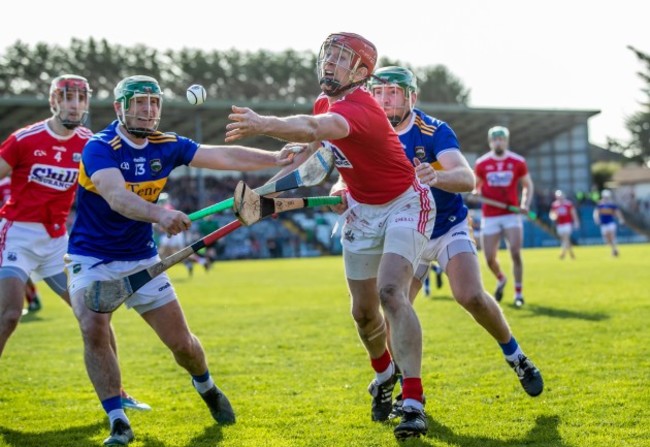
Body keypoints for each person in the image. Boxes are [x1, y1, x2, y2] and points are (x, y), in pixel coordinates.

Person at [65, 74, 298, 446]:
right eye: (138, 102)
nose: (147, 110)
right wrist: (159, 215)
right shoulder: (100, 147)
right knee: (92, 325)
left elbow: (221, 154)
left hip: (142, 258)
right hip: (91, 257)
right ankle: (117, 418)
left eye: (153, 103)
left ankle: (206, 386)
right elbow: (116, 197)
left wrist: (274, 157)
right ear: (119, 108)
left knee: (183, 346)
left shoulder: (167, 144)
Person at [225, 33, 434, 441]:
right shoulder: (327, 103)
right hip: (361, 208)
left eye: (342, 59)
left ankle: (413, 401)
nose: (330, 64)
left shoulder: (357, 109)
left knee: (391, 292)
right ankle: (384, 374)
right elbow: (314, 157)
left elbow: (310, 128)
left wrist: (262, 123)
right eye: (329, 56)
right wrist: (264, 194)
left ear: (360, 72)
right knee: (363, 313)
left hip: (406, 203)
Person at [368, 66, 543, 417]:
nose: (384, 101)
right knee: (393, 305)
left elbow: (466, 177)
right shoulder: (370, 134)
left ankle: (516, 355)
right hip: (407, 231)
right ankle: (406, 388)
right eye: (379, 93)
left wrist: (438, 176)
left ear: (411, 97)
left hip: (447, 225)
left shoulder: (432, 130)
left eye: (393, 93)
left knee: (471, 296)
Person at [0, 74, 149, 411]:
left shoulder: (91, 143)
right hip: (18, 235)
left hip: (57, 243)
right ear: (54, 101)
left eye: (81, 99)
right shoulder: (24, 140)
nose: (75, 105)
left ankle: (119, 393)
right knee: (9, 315)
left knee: (95, 314)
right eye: (68, 98)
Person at [474, 126, 534, 308]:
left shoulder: (517, 161)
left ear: (506, 141)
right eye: (495, 139)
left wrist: (525, 204)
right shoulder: (482, 163)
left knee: (515, 252)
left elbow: (527, 185)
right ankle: (501, 279)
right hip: (490, 215)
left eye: (501, 139)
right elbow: (476, 186)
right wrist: (475, 192)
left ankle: (519, 294)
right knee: (489, 259)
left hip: (511, 214)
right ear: (490, 141)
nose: (498, 142)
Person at [0, 177, 43, 315]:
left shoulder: (16, 182)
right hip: (13, 228)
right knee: (16, 266)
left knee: (14, 267)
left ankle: (29, 299)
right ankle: (32, 298)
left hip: (13, 229)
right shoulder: (10, 182)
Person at [593, 189, 625, 257]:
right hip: (603, 223)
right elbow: (596, 212)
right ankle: (614, 249)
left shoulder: (612, 204)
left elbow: (617, 212)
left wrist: (621, 219)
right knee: (607, 240)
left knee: (612, 236)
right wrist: (596, 219)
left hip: (611, 222)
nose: (606, 198)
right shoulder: (600, 204)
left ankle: (614, 251)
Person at [549, 189, 580, 259]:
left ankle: (563, 253)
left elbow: (573, 213)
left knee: (566, 237)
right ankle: (571, 252)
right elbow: (552, 213)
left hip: (567, 223)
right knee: (564, 239)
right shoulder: (554, 205)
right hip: (559, 224)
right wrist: (553, 217)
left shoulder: (568, 204)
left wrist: (576, 221)